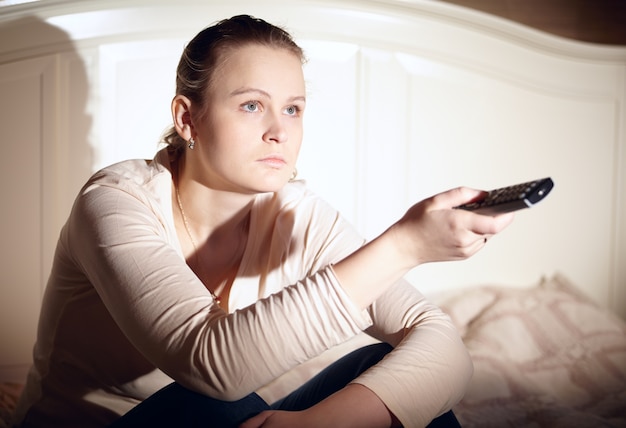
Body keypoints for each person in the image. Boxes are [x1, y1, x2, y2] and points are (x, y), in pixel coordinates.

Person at [13, 15, 514, 428]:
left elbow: (440, 340)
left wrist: (318, 424)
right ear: (188, 119)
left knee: (393, 384)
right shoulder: (116, 202)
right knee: (214, 402)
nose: (280, 131)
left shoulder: (295, 214)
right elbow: (209, 367)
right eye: (252, 105)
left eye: (293, 109)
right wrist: (403, 246)